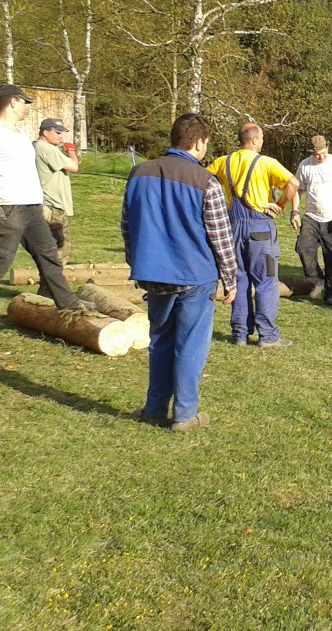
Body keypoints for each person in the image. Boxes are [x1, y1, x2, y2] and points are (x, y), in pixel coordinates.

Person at [121, 113, 237, 432]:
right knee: (190, 346)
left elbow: (127, 226)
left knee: (160, 342)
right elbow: (221, 237)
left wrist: (136, 263)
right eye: (206, 143)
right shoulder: (206, 182)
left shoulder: (139, 173)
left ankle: (154, 410)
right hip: (195, 275)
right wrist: (230, 278)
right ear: (198, 143)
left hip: (153, 272)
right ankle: (185, 415)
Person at [0, 84, 83, 328]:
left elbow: (28, 172)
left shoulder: (19, 134)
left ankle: (68, 304)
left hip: (32, 208)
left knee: (49, 254)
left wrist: (40, 202)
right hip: (9, 208)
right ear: (13, 102)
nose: (27, 107)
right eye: (24, 102)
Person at [207, 123, 298, 348]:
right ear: (255, 140)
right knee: (266, 281)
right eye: (262, 138)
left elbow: (202, 180)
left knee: (239, 278)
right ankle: (267, 336)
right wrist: (280, 205)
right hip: (260, 228)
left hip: (232, 227)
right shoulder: (266, 162)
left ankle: (240, 334)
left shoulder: (223, 162)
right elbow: (293, 183)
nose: (263, 142)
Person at [290, 135, 332, 307]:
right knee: (303, 248)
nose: (320, 157)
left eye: (323, 153)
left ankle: (331, 293)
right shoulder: (305, 165)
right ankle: (317, 281)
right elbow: (298, 190)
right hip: (311, 218)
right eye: (316, 154)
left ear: (327, 148)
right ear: (311, 153)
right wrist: (295, 211)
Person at [33, 117, 79, 267]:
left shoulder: (34, 147)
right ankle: (55, 278)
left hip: (43, 203)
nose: (61, 137)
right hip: (54, 205)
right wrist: (71, 150)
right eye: (57, 133)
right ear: (45, 132)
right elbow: (74, 167)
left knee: (47, 245)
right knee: (60, 246)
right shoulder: (48, 149)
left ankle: (49, 276)